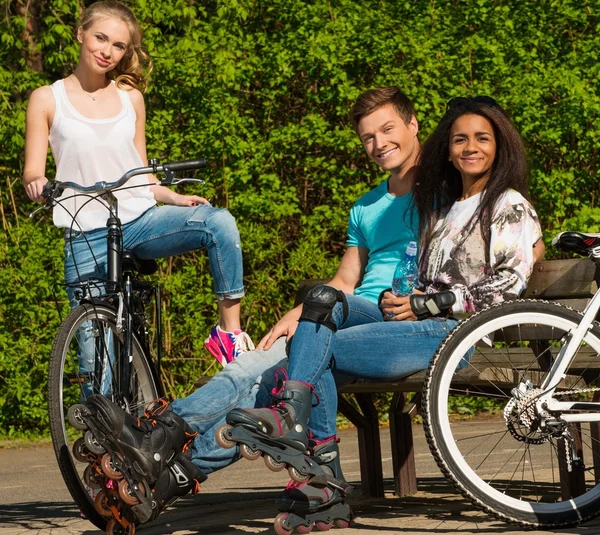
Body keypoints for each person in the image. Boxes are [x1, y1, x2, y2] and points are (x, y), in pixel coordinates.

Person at [71, 86, 423, 531]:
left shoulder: (441, 189)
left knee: (257, 379)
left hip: (391, 323)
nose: (378, 143)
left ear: (413, 125)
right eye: (368, 137)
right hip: (341, 313)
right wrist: (301, 312)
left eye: (387, 129)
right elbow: (345, 281)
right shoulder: (366, 206)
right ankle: (166, 466)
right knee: (252, 370)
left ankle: (159, 448)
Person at [221, 96, 544, 531]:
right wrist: (406, 299)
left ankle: (316, 468)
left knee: (318, 353)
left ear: (499, 146)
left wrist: (424, 305)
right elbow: (426, 274)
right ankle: (310, 455)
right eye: (460, 139)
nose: (470, 147)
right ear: (447, 149)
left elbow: (508, 285)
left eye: (481, 139)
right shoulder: (444, 207)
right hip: (413, 323)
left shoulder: (507, 205)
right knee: (321, 301)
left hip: (453, 336)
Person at [22, 0, 252, 366]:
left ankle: (228, 335)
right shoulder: (47, 99)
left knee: (218, 222)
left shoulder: (131, 99)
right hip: (85, 233)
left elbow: (141, 175)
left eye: (118, 46)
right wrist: (39, 183)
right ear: (81, 33)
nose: (107, 52)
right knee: (98, 365)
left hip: (140, 221)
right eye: (100, 38)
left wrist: (173, 196)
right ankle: (100, 422)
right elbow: (33, 171)